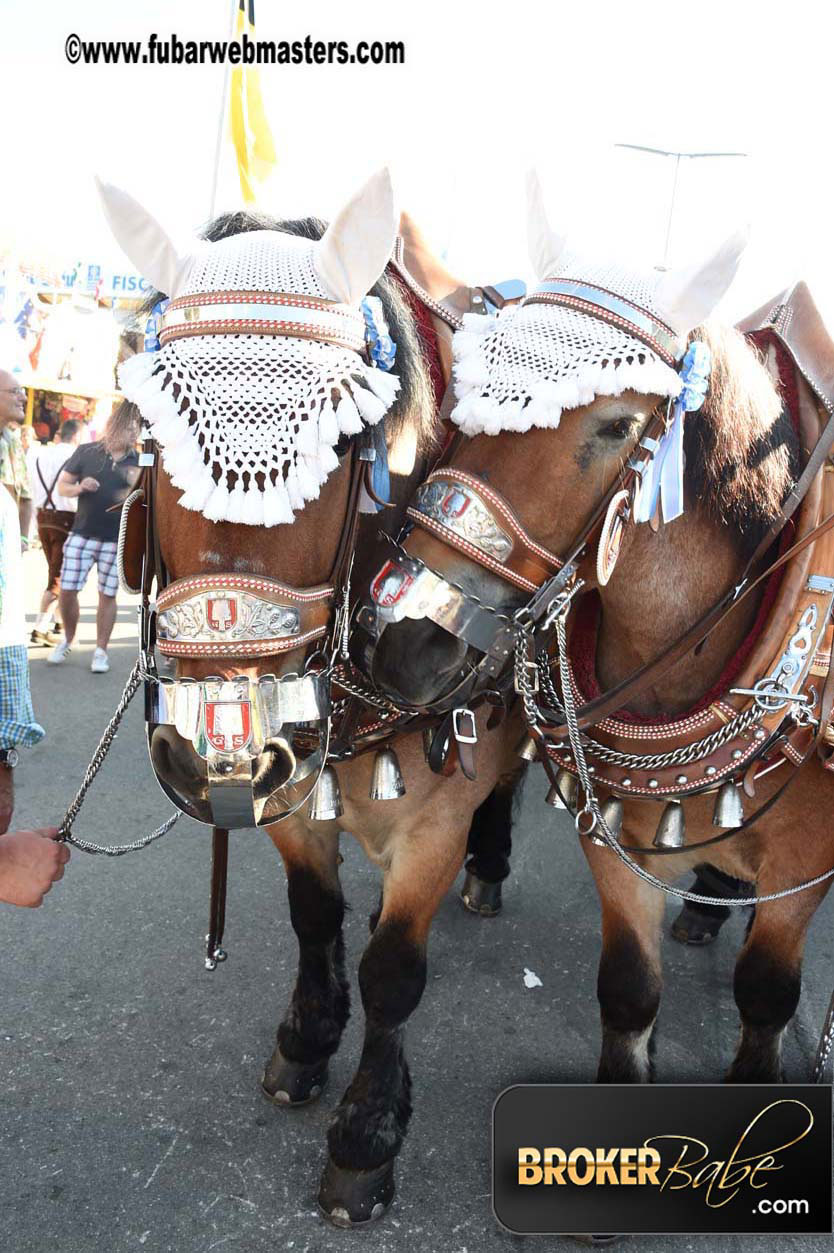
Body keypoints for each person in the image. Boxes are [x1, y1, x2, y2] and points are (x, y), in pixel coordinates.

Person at [49, 404, 140, 674]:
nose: (134, 430)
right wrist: (79, 487)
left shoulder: (139, 460)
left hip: (116, 540)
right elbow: (62, 484)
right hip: (82, 533)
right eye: (129, 424)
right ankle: (68, 637)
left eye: (137, 425)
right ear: (114, 424)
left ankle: (101, 651)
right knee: (66, 590)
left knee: (107, 595)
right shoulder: (87, 451)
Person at [28, 418, 83, 644]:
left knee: (57, 570)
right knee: (58, 577)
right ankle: (40, 628)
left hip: (42, 517)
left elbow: (30, 487)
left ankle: (59, 623)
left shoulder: (38, 454)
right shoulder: (77, 456)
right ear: (77, 436)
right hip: (66, 519)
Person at [0, 369, 33, 542]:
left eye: (23, 391)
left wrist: (23, 539)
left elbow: (25, 497)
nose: (24, 398)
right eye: (15, 392)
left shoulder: (13, 442)